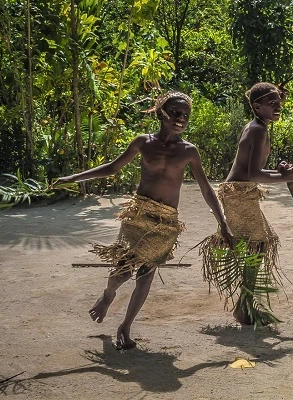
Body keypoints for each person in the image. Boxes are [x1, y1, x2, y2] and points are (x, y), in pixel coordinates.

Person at [56, 91, 233, 350]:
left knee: (146, 274)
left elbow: (206, 190)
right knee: (123, 271)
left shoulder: (189, 151)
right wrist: (74, 178)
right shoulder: (143, 142)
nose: (180, 118)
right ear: (162, 113)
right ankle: (108, 294)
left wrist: (223, 223)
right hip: (138, 215)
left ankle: (126, 326)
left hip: (166, 223)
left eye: (185, 115)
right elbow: (112, 167)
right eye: (174, 112)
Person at [200, 82, 293, 326]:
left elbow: (254, 170)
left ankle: (245, 304)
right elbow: (252, 173)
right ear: (257, 106)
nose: (278, 106)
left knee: (258, 245)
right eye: (271, 103)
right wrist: (281, 178)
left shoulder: (258, 127)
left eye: (279, 101)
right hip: (239, 194)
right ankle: (244, 307)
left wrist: (278, 173)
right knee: (258, 245)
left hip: (241, 192)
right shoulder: (257, 130)